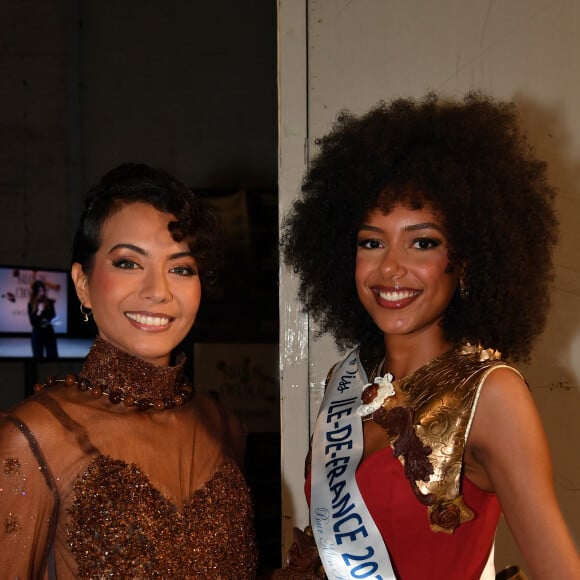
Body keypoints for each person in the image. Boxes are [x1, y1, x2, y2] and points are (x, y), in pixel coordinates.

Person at [277, 94, 580, 579]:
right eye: (371, 242)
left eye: (423, 242)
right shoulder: (348, 381)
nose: (390, 267)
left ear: (464, 260)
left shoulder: (491, 394)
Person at [0, 163, 257, 578]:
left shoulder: (223, 425)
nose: (157, 290)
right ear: (83, 283)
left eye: (180, 268)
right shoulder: (33, 437)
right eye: (128, 263)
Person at [28, 279, 59, 359]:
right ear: (35, 292)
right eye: (39, 291)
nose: (42, 293)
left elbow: (53, 317)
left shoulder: (49, 302)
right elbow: (33, 322)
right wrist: (39, 312)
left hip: (49, 334)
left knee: (53, 358)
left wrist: (47, 322)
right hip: (37, 335)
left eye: (43, 290)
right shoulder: (31, 304)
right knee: (38, 358)